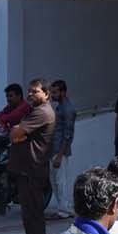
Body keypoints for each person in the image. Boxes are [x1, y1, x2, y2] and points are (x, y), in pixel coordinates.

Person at [10, 79, 56, 234]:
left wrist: (18, 131)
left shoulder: (42, 112)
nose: (30, 95)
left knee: (34, 216)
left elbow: (16, 133)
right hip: (26, 170)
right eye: (29, 91)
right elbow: (17, 134)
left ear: (46, 94)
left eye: (35, 91)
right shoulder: (34, 111)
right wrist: (18, 133)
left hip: (33, 171)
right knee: (28, 215)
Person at [48, 80, 77, 210]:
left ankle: (65, 209)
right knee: (54, 181)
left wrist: (60, 155)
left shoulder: (68, 109)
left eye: (55, 92)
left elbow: (68, 134)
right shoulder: (59, 106)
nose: (52, 95)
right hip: (54, 149)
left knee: (60, 181)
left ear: (63, 92)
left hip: (60, 150)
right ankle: (63, 207)